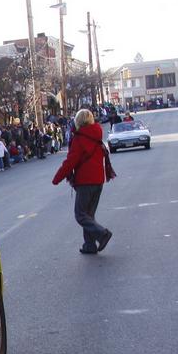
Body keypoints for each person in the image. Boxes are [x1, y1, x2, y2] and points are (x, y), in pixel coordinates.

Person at [51, 109, 113, 255]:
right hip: (98, 179)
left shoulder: (79, 138)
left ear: (78, 121)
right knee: (89, 215)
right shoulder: (96, 135)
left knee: (80, 215)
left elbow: (70, 161)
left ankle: (103, 234)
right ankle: (89, 245)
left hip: (85, 181)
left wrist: (57, 178)